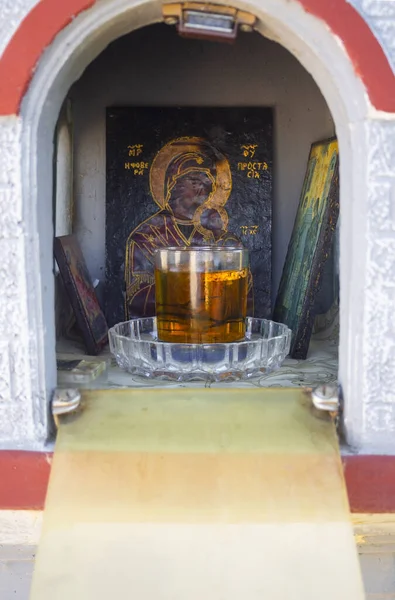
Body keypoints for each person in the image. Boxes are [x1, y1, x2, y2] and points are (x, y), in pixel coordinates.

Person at [124, 139, 232, 317]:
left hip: (208, 326)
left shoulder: (214, 232)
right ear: (174, 185)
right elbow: (136, 297)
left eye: (207, 183)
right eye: (195, 181)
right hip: (167, 326)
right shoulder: (146, 236)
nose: (203, 188)